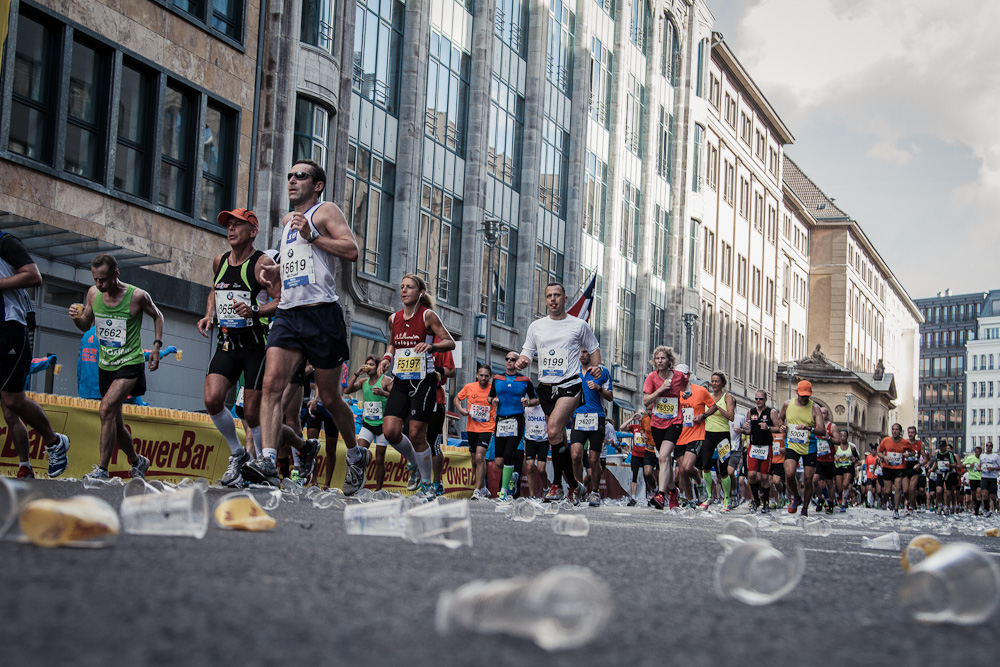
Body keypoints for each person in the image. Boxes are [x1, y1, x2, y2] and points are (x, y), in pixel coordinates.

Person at [249, 160, 367, 492]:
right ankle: (269, 461)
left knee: (330, 398)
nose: (291, 180)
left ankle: (356, 455)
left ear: (317, 185)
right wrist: (275, 272)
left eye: (300, 176)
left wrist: (312, 234)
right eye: (289, 175)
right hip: (288, 313)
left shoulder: (325, 211)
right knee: (272, 386)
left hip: (321, 313)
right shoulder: (287, 223)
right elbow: (295, 264)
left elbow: (352, 250)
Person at [197, 208, 278, 488]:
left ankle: (261, 466)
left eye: (238, 225)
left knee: (252, 413)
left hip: (256, 345)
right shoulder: (219, 261)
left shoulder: (262, 263)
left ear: (253, 231)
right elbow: (215, 290)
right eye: (228, 225)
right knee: (212, 399)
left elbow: (282, 300)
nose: (231, 229)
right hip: (228, 342)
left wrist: (255, 310)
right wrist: (210, 314)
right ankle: (238, 453)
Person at [71, 254, 163, 482]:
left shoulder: (137, 296)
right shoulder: (94, 294)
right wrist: (75, 317)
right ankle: (137, 461)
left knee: (105, 409)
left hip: (129, 363)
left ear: (116, 274)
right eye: (95, 280)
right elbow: (85, 325)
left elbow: (158, 316)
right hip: (106, 365)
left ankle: (102, 469)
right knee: (114, 420)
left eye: (103, 279)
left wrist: (156, 347)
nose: (99, 285)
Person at [514, 282, 601, 505]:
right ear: (545, 300)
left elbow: (593, 348)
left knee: (552, 430)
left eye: (557, 295)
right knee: (558, 438)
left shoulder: (578, 324)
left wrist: (596, 367)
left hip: (570, 384)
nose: (553, 299)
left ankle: (558, 485)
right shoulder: (536, 326)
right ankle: (573, 485)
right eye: (549, 296)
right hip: (545, 387)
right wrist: (523, 361)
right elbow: (527, 352)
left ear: (564, 298)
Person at [377, 273, 456, 497]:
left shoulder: (427, 316)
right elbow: (392, 344)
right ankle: (414, 463)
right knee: (390, 431)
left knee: (416, 434)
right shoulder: (394, 318)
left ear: (420, 292)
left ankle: (428, 484)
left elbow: (450, 342)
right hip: (401, 380)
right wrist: (386, 359)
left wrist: (431, 347)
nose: (404, 291)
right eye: (402, 287)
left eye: (409, 287)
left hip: (424, 381)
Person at [0, 227, 70, 478]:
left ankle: (53, 441)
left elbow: (33, 276)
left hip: (9, 327)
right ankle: (25, 467)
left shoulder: (5, 242)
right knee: (9, 411)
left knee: (12, 401)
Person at [489, 353, 538, 501]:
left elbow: (536, 399)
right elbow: (489, 397)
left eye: (513, 359)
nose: (509, 361)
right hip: (501, 420)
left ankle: (503, 491)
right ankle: (512, 477)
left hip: (516, 420)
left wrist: (527, 402)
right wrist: (493, 401)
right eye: (507, 359)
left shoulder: (525, 380)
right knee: (499, 461)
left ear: (518, 362)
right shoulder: (497, 378)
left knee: (509, 454)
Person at [568, 349, 612, 507]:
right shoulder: (572, 370)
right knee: (575, 455)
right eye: (579, 352)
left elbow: (610, 396)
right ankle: (578, 488)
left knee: (593, 459)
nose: (582, 355)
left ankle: (595, 491)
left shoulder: (602, 372)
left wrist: (599, 389)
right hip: (578, 417)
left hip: (597, 417)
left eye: (585, 352)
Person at [644, 348, 686, 510]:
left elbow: (687, 386)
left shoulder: (678, 377)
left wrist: (687, 394)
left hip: (675, 422)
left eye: (663, 358)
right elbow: (646, 401)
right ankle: (672, 491)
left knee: (663, 457)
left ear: (669, 360)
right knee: (665, 460)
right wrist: (660, 390)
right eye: (657, 358)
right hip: (657, 423)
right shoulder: (651, 378)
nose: (660, 361)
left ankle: (661, 495)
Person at [777, 380, 825, 517]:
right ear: (797, 392)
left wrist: (809, 427)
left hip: (809, 446)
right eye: (802, 395)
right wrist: (782, 426)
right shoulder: (788, 404)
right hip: (792, 444)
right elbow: (780, 419)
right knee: (789, 473)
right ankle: (796, 497)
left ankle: (805, 507)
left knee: (808, 479)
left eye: (807, 396)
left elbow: (822, 431)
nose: (804, 398)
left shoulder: (815, 408)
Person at [346, 355, 391, 490]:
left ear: (378, 366)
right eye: (366, 364)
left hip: (382, 425)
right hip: (368, 423)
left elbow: (397, 396)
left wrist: (383, 393)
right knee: (359, 456)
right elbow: (346, 390)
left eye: (371, 364)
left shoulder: (386, 381)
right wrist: (355, 374)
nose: (368, 366)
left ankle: (378, 489)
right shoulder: (363, 382)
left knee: (379, 458)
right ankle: (358, 485)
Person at [673, 367, 716, 506]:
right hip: (679, 435)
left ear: (688, 375)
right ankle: (690, 499)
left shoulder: (700, 391)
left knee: (687, 467)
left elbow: (713, 407)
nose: (680, 377)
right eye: (677, 375)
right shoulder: (674, 393)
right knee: (682, 472)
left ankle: (700, 481)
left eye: (682, 375)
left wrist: (703, 415)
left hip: (695, 434)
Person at [455, 364, 495, 499]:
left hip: (487, 427)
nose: (483, 378)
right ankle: (483, 488)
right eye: (481, 375)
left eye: (486, 376)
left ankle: (477, 490)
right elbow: (456, 398)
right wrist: (461, 410)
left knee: (480, 456)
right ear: (477, 375)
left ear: (490, 377)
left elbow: (498, 404)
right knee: (474, 460)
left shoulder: (493, 389)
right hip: (472, 427)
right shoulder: (469, 387)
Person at [699, 371, 734, 510]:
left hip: (723, 435)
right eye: (712, 381)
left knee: (723, 469)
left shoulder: (727, 397)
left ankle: (726, 498)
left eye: (717, 381)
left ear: (722, 383)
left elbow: (731, 416)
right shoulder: (708, 397)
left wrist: (717, 407)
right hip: (708, 433)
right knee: (705, 465)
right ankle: (709, 497)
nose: (714, 384)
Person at [428, 337, 456, 496]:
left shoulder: (441, 342)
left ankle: (436, 482)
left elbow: (451, 371)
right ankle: (419, 474)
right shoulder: (412, 337)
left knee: (433, 443)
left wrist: (437, 370)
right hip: (414, 395)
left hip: (435, 397)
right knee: (412, 436)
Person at [743, 390, 779, 513]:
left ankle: (766, 501)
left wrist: (768, 428)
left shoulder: (771, 412)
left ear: (765, 399)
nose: (758, 401)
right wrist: (745, 429)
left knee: (764, 477)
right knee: (751, 475)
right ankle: (755, 500)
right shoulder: (750, 412)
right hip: (753, 446)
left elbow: (778, 428)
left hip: (766, 447)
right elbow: (748, 430)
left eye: (761, 399)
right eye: (756, 399)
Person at [877, 423, 908, 519]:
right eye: (893, 429)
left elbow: (912, 452)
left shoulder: (904, 442)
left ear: (900, 431)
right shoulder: (886, 440)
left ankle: (896, 510)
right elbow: (879, 451)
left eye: (897, 429)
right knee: (887, 490)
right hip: (887, 467)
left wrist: (907, 455)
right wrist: (884, 457)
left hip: (899, 467)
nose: (894, 431)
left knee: (898, 487)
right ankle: (887, 499)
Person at [814, 407, 841, 514]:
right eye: (819, 413)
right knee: (814, 480)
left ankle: (830, 502)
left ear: (827, 415)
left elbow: (838, 441)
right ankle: (820, 498)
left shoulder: (832, 426)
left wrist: (828, 438)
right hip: (817, 458)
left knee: (829, 483)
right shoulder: (815, 425)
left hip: (828, 459)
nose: (821, 415)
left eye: (823, 413)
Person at [522, 403, 550, 499]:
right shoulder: (526, 408)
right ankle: (531, 494)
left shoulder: (546, 407)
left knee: (541, 468)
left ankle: (546, 488)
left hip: (543, 441)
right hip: (530, 440)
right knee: (529, 466)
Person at [833, 430, 859, 510]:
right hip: (839, 467)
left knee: (845, 485)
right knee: (840, 488)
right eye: (840, 436)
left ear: (847, 437)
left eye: (844, 436)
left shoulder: (852, 447)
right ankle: (841, 498)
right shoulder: (836, 446)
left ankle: (844, 504)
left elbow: (857, 458)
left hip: (848, 467)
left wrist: (855, 459)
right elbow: (831, 456)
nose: (842, 438)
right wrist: (835, 459)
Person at [932, 440, 958, 515]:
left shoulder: (950, 454)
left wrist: (949, 465)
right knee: (939, 490)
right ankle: (940, 504)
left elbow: (955, 464)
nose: (941, 448)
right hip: (940, 473)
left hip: (948, 473)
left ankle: (947, 506)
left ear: (945, 446)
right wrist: (931, 469)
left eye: (943, 446)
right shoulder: (937, 454)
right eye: (940, 446)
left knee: (948, 492)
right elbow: (935, 462)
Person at [904, 426, 926, 513]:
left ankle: (911, 507)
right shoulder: (904, 443)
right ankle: (908, 500)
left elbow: (925, 458)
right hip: (905, 467)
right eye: (909, 432)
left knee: (912, 488)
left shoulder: (920, 444)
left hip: (915, 467)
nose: (910, 434)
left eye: (912, 432)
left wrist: (920, 464)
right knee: (905, 490)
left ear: (915, 433)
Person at [979, 441, 1000, 516]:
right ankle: (986, 508)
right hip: (984, 476)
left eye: (990, 446)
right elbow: (979, 465)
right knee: (984, 493)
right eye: (987, 445)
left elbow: (999, 466)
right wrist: (979, 468)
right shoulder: (982, 456)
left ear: (992, 447)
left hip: (993, 477)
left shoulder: (996, 456)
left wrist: (993, 468)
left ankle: (995, 503)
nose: (988, 447)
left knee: (992, 496)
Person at [962, 445, 983, 516]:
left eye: (979, 452)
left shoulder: (982, 458)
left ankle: (977, 509)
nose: (978, 453)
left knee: (978, 493)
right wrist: (969, 465)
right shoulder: (970, 458)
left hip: (980, 478)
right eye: (976, 452)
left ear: (981, 452)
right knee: (974, 495)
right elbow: (963, 465)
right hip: (972, 478)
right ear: (974, 452)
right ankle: (975, 506)